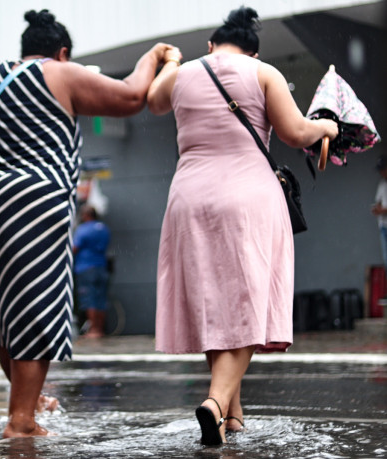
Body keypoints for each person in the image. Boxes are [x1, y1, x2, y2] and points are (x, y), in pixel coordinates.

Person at [0, 9, 177, 438]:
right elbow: (131, 95)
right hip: (32, 203)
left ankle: (28, 401)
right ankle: (21, 420)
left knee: (5, 311)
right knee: (36, 307)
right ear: (61, 53)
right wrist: (155, 57)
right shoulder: (60, 74)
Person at [146, 6, 338, 446]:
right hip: (248, 196)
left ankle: (233, 415)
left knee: (215, 302)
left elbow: (154, 100)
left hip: (189, 197)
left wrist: (174, 61)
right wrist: (325, 125)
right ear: (252, 49)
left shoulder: (185, 72)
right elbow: (293, 133)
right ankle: (215, 405)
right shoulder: (263, 71)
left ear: (212, 45)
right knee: (248, 301)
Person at [73, 204, 111, 338]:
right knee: (101, 298)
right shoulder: (103, 228)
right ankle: (100, 330)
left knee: (90, 298)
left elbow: (74, 248)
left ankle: (93, 330)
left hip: (86, 267)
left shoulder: (83, 229)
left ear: (86, 215)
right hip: (101, 267)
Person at [371, 155, 387, 270]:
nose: (381, 172)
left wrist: (384, 209)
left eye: (383, 169)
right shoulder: (382, 184)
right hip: (383, 225)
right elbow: (378, 203)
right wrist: (377, 209)